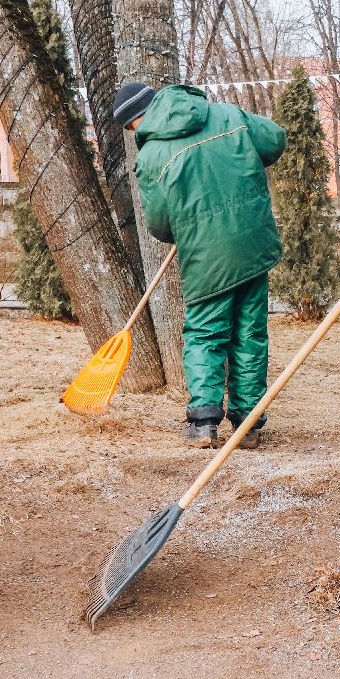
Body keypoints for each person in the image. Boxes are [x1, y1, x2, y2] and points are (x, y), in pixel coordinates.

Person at [114, 80, 286, 448]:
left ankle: (203, 422)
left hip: (206, 255)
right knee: (250, 333)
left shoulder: (151, 155)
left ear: (135, 122)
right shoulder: (227, 114)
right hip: (254, 243)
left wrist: (186, 221)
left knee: (205, 332)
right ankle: (248, 424)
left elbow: (159, 224)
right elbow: (274, 140)